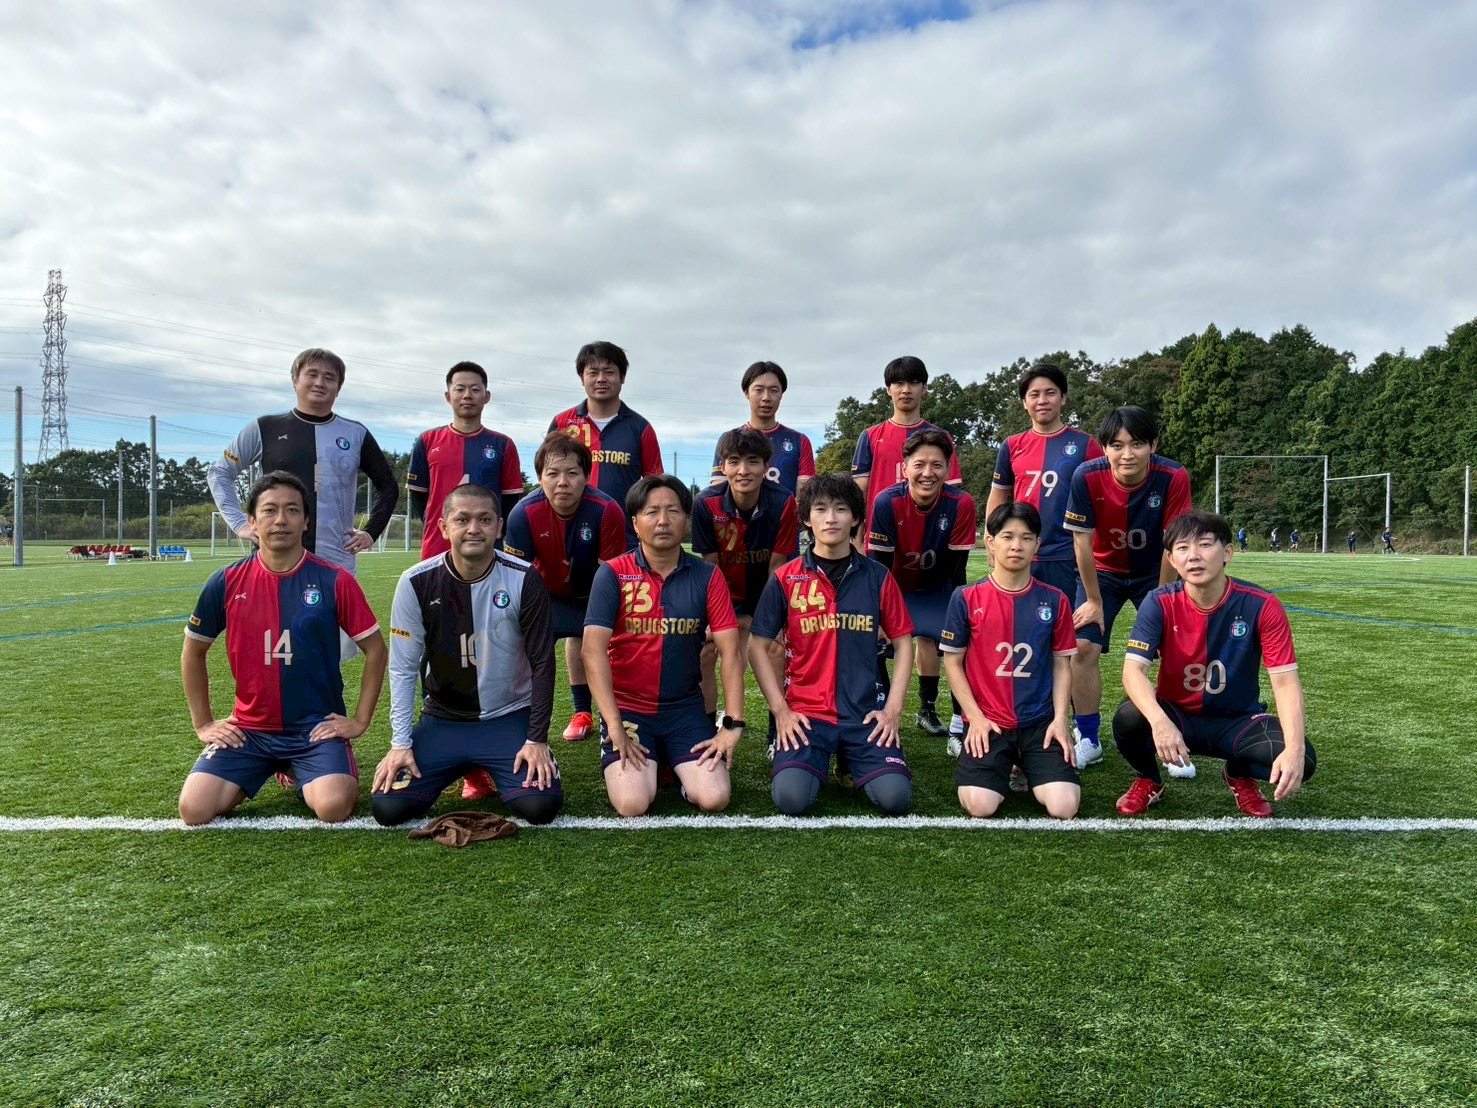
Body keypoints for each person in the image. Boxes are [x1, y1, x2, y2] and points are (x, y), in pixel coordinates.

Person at [178, 471, 387, 825]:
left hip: (314, 729)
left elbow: (376, 650)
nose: (280, 520)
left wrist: (359, 721)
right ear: (252, 521)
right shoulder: (226, 581)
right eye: (269, 510)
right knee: (194, 810)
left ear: (306, 521)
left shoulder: (334, 580)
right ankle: (270, 766)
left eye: (292, 510)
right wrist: (204, 724)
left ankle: (298, 766)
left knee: (333, 807)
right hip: (249, 730)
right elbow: (193, 651)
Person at [369, 484, 562, 828]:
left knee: (539, 805)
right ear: (444, 527)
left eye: (484, 519)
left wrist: (536, 739)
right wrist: (400, 743)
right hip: (444, 720)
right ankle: (465, 766)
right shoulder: (415, 582)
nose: (474, 528)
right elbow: (402, 668)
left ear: (499, 527)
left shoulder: (523, 578)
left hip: (508, 717)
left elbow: (543, 663)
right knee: (388, 808)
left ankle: (492, 763)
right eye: (462, 519)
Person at [1112, 511, 1317, 818]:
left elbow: (1285, 683)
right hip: (1177, 715)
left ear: (1227, 553)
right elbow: (1133, 671)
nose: (1193, 556)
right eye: (1182, 548)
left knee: (1303, 759)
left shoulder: (1262, 604)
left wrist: (1295, 750)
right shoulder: (1159, 601)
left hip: (1238, 720)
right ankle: (1149, 779)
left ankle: (1238, 773)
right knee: (1129, 717)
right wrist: (1159, 721)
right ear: (1171, 559)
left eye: (1205, 544)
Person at [207, 348, 398, 662]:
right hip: (274, 559)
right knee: (271, 651)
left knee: (329, 657)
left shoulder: (355, 433)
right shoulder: (264, 427)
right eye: (312, 374)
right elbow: (220, 472)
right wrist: (239, 523)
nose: (320, 382)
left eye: (329, 377)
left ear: (339, 387)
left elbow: (388, 485)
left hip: (335, 560)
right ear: (295, 380)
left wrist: (371, 532)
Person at [749, 473, 915, 816]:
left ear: (855, 518)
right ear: (807, 519)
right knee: (791, 800)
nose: (831, 518)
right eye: (821, 509)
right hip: (807, 716)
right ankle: (821, 760)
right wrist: (781, 711)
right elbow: (757, 645)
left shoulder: (878, 576)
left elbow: (903, 643)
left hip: (864, 714)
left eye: (841, 509)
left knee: (895, 799)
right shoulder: (785, 577)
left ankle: (850, 759)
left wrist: (892, 710)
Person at [583, 476, 746, 818]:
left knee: (714, 798)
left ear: (686, 519)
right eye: (651, 511)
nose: (662, 520)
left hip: (685, 710)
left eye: (673, 511)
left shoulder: (708, 575)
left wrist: (732, 724)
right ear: (635, 523)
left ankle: (674, 765)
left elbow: (731, 651)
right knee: (632, 804)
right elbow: (592, 651)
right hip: (628, 709)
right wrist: (614, 724)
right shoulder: (612, 573)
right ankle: (658, 763)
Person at [1063, 405, 1192, 774]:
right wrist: (1093, 600)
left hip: (1155, 572)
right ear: (1104, 447)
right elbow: (1081, 544)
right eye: (1117, 445)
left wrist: (1163, 601)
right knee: (1083, 647)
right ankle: (1089, 738)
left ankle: (1174, 742)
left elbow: (1173, 543)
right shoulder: (1086, 475)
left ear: (1153, 444)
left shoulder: (1173, 476)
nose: (1127, 454)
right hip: (1102, 574)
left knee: (1175, 648)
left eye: (1137, 444)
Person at [942, 502, 1078, 819]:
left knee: (1064, 807)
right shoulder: (965, 597)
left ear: (1037, 545)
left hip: (1039, 722)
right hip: (989, 721)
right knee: (980, 805)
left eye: (1026, 538)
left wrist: (1061, 720)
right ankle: (1003, 765)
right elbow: (952, 663)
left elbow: (1062, 665)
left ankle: (1026, 765)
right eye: (1008, 536)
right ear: (990, 542)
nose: (1017, 545)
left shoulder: (1055, 600)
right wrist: (974, 717)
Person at [503, 432, 627, 745]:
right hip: (547, 597)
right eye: (553, 473)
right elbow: (515, 578)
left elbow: (611, 575)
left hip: (595, 595)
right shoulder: (523, 513)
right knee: (524, 651)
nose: (562, 482)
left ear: (586, 476)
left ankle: (613, 717)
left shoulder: (607, 509)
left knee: (606, 645)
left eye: (572, 473)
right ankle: (557, 719)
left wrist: (599, 623)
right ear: (540, 477)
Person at [867, 430, 977, 749]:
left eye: (937, 465)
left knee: (965, 645)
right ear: (905, 469)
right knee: (870, 640)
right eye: (919, 464)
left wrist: (959, 617)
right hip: (896, 591)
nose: (928, 473)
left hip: (937, 590)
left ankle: (957, 727)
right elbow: (879, 569)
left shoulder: (962, 503)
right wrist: (879, 616)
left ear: (948, 469)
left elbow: (956, 571)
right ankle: (880, 721)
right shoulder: (887, 501)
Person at [691, 428, 798, 732]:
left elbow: (777, 566)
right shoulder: (705, 503)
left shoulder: (784, 502)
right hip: (722, 594)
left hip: (767, 593)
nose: (743, 470)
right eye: (734, 461)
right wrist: (722, 617)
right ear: (722, 467)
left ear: (766, 467)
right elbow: (710, 568)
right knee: (706, 650)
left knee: (775, 648)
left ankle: (777, 732)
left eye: (752, 461)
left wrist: (764, 618)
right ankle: (705, 728)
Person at [986, 362, 1104, 601]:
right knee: (1019, 619)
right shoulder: (1011, 445)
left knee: (1068, 622)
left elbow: (1101, 501)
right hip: (1022, 552)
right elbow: (998, 496)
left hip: (1067, 555)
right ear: (1024, 402)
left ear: (1063, 398)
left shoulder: (1086, 444)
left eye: (1050, 393)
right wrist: (992, 541)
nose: (1042, 400)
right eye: (1034, 394)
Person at [407, 361, 524, 560]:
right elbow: (419, 497)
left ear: (486, 396)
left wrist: (493, 531)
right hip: (437, 547)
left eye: (475, 389)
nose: (467, 395)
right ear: (448, 396)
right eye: (460, 389)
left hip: (487, 547)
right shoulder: (427, 440)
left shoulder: (503, 444)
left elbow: (510, 502)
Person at [549, 341, 662, 546]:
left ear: (622, 377)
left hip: (623, 538)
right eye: (593, 372)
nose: (601, 379)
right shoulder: (561, 423)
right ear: (582, 378)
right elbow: (547, 477)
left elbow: (654, 489)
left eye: (609, 372)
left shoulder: (641, 428)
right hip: (566, 537)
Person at [851, 356, 963, 534]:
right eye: (899, 383)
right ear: (888, 389)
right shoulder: (870, 436)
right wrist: (857, 540)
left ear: (924, 388)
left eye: (913, 383)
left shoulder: (941, 437)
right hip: (880, 533)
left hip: (929, 535)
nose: (906, 390)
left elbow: (950, 492)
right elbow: (859, 495)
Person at [708, 361, 816, 496]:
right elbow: (717, 492)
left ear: (781, 394)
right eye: (759, 390)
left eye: (773, 390)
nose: (766, 397)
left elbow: (805, 497)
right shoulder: (727, 439)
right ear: (747, 393)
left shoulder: (799, 441)